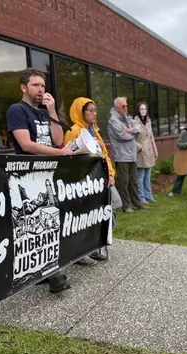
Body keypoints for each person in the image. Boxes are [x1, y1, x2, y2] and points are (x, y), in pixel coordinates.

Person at [6, 68, 73, 292]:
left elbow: (58, 139)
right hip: (27, 176)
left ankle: (49, 271)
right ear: (23, 88)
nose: (40, 90)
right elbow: (26, 144)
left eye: (43, 86)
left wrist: (52, 109)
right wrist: (60, 154)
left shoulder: (44, 112)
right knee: (33, 225)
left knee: (50, 222)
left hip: (46, 174)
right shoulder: (17, 110)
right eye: (35, 85)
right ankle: (51, 273)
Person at [65, 97, 116, 263]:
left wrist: (110, 173)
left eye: (95, 110)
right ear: (81, 111)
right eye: (90, 110)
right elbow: (69, 160)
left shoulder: (94, 131)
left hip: (100, 179)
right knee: (84, 217)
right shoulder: (74, 132)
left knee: (101, 214)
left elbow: (104, 155)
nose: (94, 113)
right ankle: (80, 253)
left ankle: (94, 247)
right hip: (84, 183)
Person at [108, 97, 147, 213]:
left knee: (133, 181)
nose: (126, 108)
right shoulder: (113, 121)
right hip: (121, 156)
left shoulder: (127, 117)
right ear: (117, 107)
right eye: (123, 106)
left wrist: (131, 130)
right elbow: (122, 135)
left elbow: (138, 128)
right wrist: (131, 131)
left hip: (132, 154)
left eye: (126, 106)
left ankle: (136, 202)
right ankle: (126, 205)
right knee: (124, 182)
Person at [134, 102, 158, 205]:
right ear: (138, 110)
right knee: (141, 176)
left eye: (145, 109)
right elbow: (131, 138)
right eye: (141, 109)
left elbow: (151, 137)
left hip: (150, 151)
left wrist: (155, 150)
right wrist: (140, 148)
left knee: (148, 175)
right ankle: (141, 197)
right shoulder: (134, 122)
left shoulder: (148, 121)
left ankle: (149, 196)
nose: (143, 111)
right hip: (141, 152)